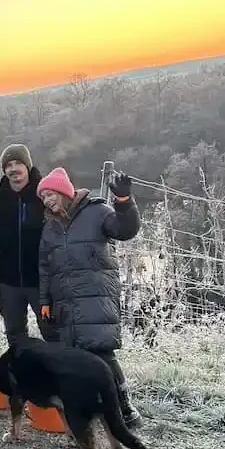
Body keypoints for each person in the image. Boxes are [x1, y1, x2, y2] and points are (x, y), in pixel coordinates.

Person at [37, 166, 143, 428]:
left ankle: (125, 408)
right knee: (75, 357)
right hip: (65, 302)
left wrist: (124, 202)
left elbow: (124, 229)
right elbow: (45, 267)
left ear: (63, 192)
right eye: (43, 197)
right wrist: (44, 301)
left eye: (50, 194)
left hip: (95, 296)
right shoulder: (50, 227)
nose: (47, 200)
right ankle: (89, 409)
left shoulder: (97, 211)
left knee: (103, 354)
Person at [0, 144, 56, 343]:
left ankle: (59, 372)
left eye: (18, 163)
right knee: (15, 333)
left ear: (28, 166)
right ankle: (22, 371)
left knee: (53, 330)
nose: (13, 169)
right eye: (8, 165)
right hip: (8, 281)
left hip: (43, 280)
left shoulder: (44, 196)